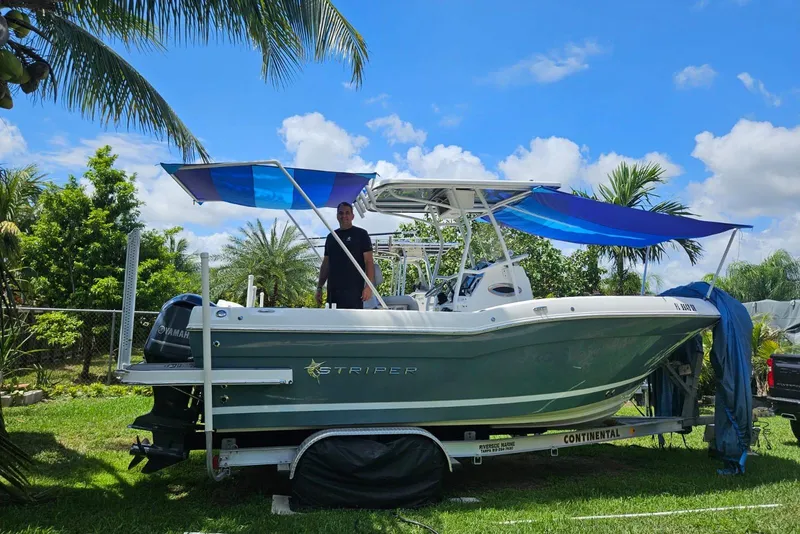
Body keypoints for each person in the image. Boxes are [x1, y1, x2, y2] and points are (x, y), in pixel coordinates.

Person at [315, 202, 375, 309]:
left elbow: (369, 262)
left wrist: (369, 287)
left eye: (347, 213)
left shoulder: (361, 235)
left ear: (352, 216)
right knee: (333, 322)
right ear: (337, 216)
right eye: (341, 213)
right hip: (333, 291)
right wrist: (319, 287)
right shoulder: (331, 237)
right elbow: (326, 264)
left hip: (354, 292)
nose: (344, 216)